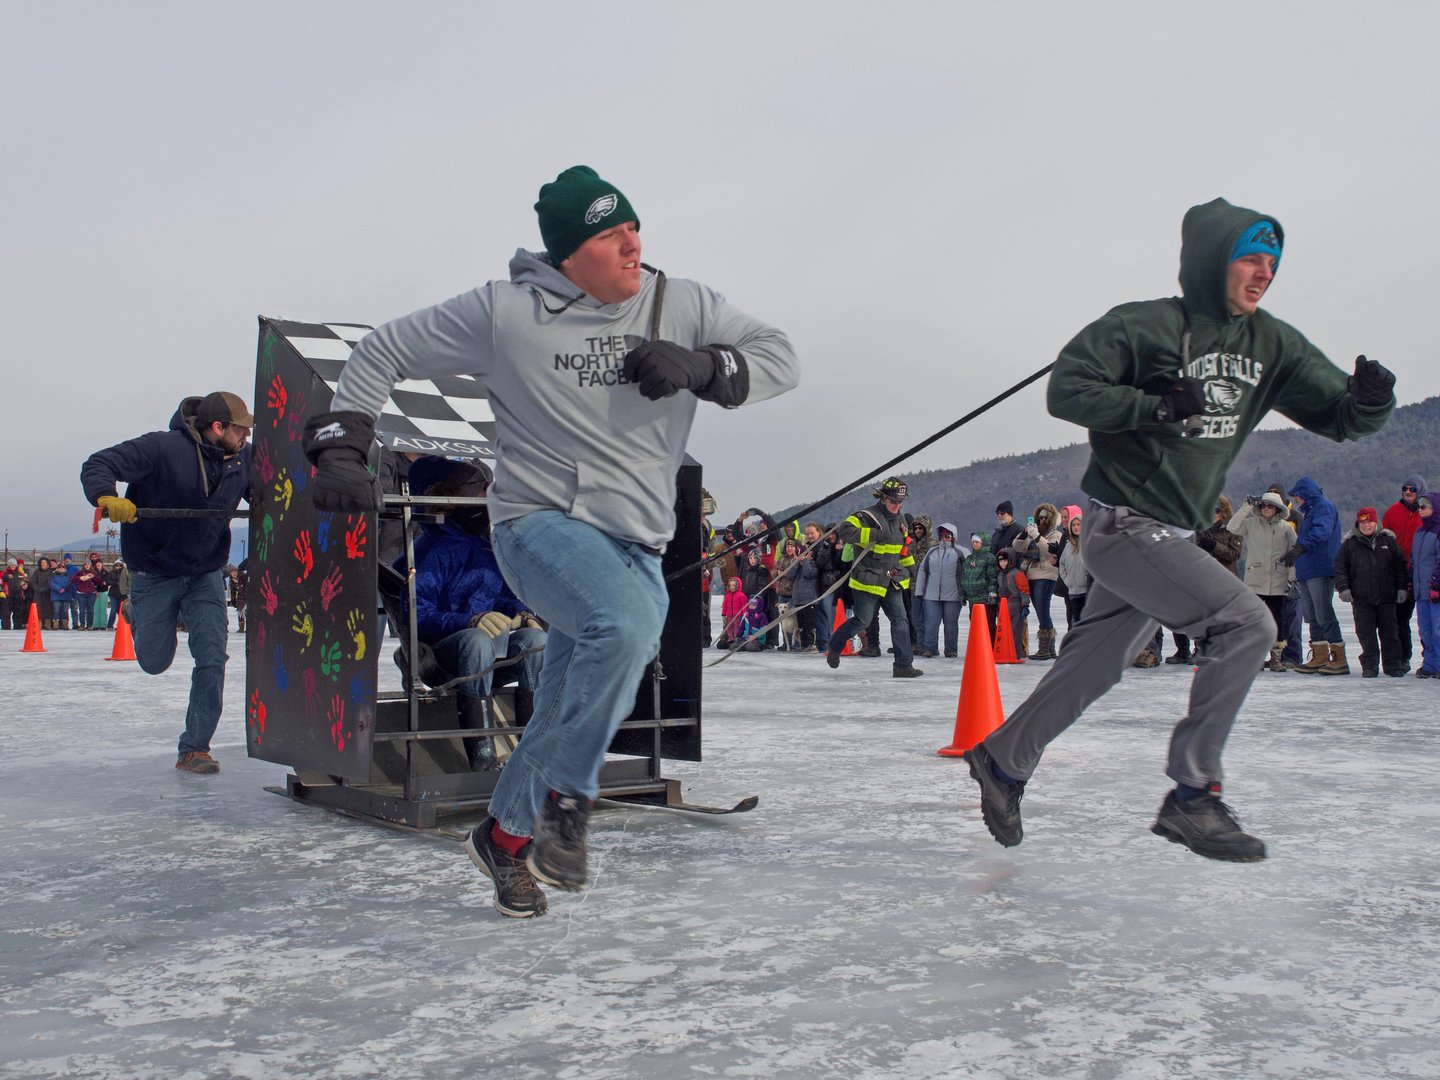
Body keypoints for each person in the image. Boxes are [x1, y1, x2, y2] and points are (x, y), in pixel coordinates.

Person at [303, 165, 799, 918]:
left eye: (633, 226)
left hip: (634, 539)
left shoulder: (681, 302)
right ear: (569, 254)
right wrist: (342, 445)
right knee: (630, 627)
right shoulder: (506, 314)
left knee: (566, 703)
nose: (633, 244)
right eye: (609, 234)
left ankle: (502, 839)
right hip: (537, 524)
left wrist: (705, 365)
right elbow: (382, 350)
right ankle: (568, 803)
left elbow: (780, 357)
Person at [963, 197, 1395, 863]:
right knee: (1248, 624)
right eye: (1251, 257)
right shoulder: (1144, 328)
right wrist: (1153, 403)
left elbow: (1337, 415)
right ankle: (1193, 794)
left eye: (1273, 262)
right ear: (1212, 260)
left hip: (1170, 533)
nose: (1264, 272)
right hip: (1124, 522)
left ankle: (1003, 759)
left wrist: (1370, 401)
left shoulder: (1270, 343)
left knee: (1096, 663)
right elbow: (1069, 390)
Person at [81, 391, 253, 773]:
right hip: (154, 572)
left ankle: (194, 747)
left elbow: (270, 494)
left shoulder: (245, 458)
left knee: (212, 658)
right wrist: (107, 496)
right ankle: (134, 610)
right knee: (154, 662)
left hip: (205, 572)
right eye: (239, 428)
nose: (245, 435)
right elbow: (99, 463)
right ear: (217, 427)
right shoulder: (161, 447)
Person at [404, 456, 546, 776]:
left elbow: (506, 598)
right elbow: (416, 613)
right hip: (439, 655)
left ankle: (534, 750)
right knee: (476, 641)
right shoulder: (428, 550)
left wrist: (524, 614)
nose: (487, 500)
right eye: (480, 491)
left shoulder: (485, 549)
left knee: (535, 640)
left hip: (486, 654)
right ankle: (482, 755)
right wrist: (468, 621)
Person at [824, 477, 922, 678]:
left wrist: (912, 571)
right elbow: (845, 531)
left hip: (891, 580)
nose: (897, 506)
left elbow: (902, 551)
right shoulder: (867, 515)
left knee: (900, 620)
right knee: (862, 621)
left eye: (900, 502)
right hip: (867, 580)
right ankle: (835, 644)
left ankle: (903, 665)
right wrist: (872, 534)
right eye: (893, 502)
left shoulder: (902, 520)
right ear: (883, 498)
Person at [1167, 496, 1244, 664]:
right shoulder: (1198, 529)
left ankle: (1212, 648)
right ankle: (1188, 649)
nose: (1212, 514)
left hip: (1224, 578)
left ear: (1223, 512)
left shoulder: (1233, 529)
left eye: (1216, 511)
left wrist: (1214, 546)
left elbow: (1234, 554)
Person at [1334, 507, 1408, 678]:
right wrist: (1344, 588)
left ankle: (1393, 665)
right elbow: (1340, 569)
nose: (1366, 526)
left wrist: (1402, 587)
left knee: (1390, 633)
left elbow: (1399, 566)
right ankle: (1370, 665)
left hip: (1386, 597)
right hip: (1361, 598)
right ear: (1358, 524)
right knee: (1366, 634)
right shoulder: (1350, 544)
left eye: (1370, 522)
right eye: (1363, 523)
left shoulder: (1388, 542)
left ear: (1376, 523)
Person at [1228, 493, 1297, 672]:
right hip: (1255, 579)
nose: (1266, 508)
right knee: (1255, 620)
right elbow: (1232, 526)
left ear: (1278, 509)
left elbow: (1293, 555)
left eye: (1270, 506)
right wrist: (1246, 506)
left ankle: (1275, 658)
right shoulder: (1251, 524)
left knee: (1277, 620)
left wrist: (1292, 579)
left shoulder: (1286, 528)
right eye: (1263, 505)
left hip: (1278, 580)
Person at [1286, 477, 1346, 674]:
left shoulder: (1322, 507)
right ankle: (1319, 655)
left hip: (1320, 567)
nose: (1295, 500)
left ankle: (1339, 657)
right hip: (1307, 569)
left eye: (1296, 496)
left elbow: (1322, 531)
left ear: (1304, 493)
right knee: (1311, 615)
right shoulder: (1310, 511)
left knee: (1323, 613)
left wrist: (1300, 547)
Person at [1382, 474, 1426, 668]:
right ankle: (1402, 656)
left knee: (1428, 620)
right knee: (1399, 618)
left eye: (1412, 489)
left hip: (1421, 573)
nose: (1408, 492)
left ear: (1420, 492)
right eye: (1405, 489)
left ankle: (1432, 659)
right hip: (1398, 572)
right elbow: (1385, 539)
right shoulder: (1393, 511)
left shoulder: (1427, 512)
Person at [1012, 503, 1063, 660]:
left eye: (1044, 518)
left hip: (1046, 576)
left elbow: (1049, 549)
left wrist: (1036, 536)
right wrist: (1023, 535)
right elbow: (1017, 547)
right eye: (1039, 518)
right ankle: (1050, 649)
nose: (1041, 521)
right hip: (1032, 575)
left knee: (1043, 611)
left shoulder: (1056, 535)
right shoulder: (1033, 534)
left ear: (1050, 519)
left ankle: (1044, 649)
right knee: (1042, 611)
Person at [914, 522, 963, 658]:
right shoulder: (932, 551)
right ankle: (930, 648)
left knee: (951, 624)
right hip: (931, 595)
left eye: (947, 536)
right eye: (942, 536)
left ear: (954, 536)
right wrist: (919, 591)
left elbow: (967, 575)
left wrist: (965, 594)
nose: (944, 538)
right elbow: (923, 570)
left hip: (953, 596)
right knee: (931, 623)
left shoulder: (962, 552)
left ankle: (951, 650)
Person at [1411, 493, 1440, 678]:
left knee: (1438, 629)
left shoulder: (1438, 532)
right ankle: (1429, 664)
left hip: (1435, 592)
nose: (1420, 510)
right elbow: (1414, 561)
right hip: (1420, 591)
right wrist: (1409, 582)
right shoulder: (1419, 532)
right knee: (1425, 630)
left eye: (1424, 506)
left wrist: (1436, 584)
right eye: (1419, 507)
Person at [961, 532, 999, 641]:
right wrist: (962, 594)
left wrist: (992, 595)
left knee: (988, 624)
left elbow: (993, 578)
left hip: (985, 599)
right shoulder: (969, 559)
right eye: (973, 542)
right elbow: (963, 577)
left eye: (977, 542)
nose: (974, 544)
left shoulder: (990, 558)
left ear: (984, 543)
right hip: (972, 600)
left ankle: (991, 648)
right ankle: (978, 649)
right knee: (975, 625)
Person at [1056, 510, 1089, 633]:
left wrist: (1087, 579)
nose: (1076, 527)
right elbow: (1062, 564)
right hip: (1073, 590)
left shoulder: (1088, 544)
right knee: (1075, 621)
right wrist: (1067, 580)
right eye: (1073, 525)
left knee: (1086, 621)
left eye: (1078, 524)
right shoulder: (1068, 545)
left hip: (1086, 590)